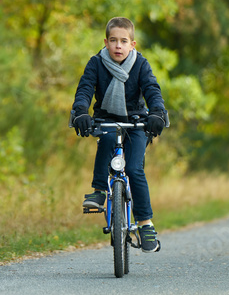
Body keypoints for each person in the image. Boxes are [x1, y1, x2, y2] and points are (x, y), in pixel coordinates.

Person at [70, 17, 168, 252]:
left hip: (136, 122)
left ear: (132, 45)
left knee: (134, 169)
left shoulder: (141, 65)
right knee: (105, 139)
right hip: (106, 119)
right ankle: (99, 192)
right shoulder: (95, 64)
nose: (118, 46)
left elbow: (152, 89)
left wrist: (156, 113)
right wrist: (81, 112)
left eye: (123, 41)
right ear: (105, 42)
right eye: (113, 40)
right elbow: (84, 89)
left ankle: (145, 224)